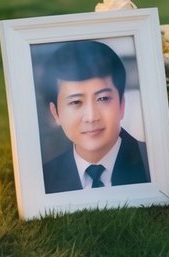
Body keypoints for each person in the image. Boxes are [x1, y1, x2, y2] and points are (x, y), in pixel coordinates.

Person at [40, 39, 150, 193]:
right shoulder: (43, 180)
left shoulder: (152, 164)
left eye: (103, 99)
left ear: (121, 105)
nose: (91, 117)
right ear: (55, 113)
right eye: (76, 102)